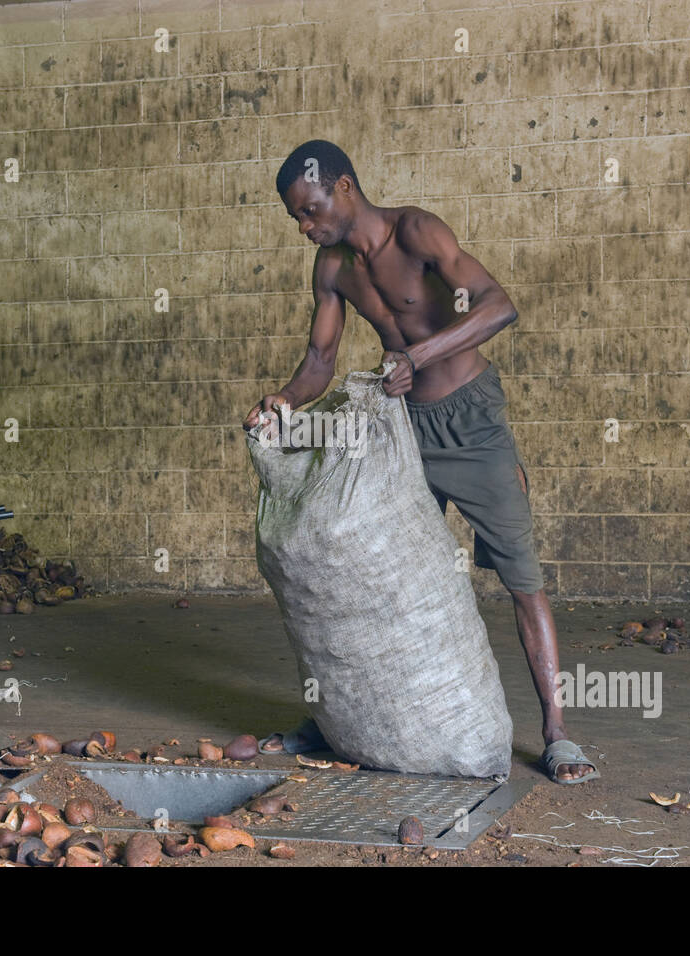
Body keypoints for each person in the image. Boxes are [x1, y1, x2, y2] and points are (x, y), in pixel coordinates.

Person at [243, 140, 598, 784]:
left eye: (311, 209)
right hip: (402, 430)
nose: (305, 226)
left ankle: (557, 734)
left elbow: (497, 304)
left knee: (522, 578)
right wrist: (283, 402)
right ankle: (339, 720)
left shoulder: (417, 232)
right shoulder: (332, 267)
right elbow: (320, 362)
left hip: (471, 419)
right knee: (373, 576)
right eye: (296, 217)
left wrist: (418, 357)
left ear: (344, 187)